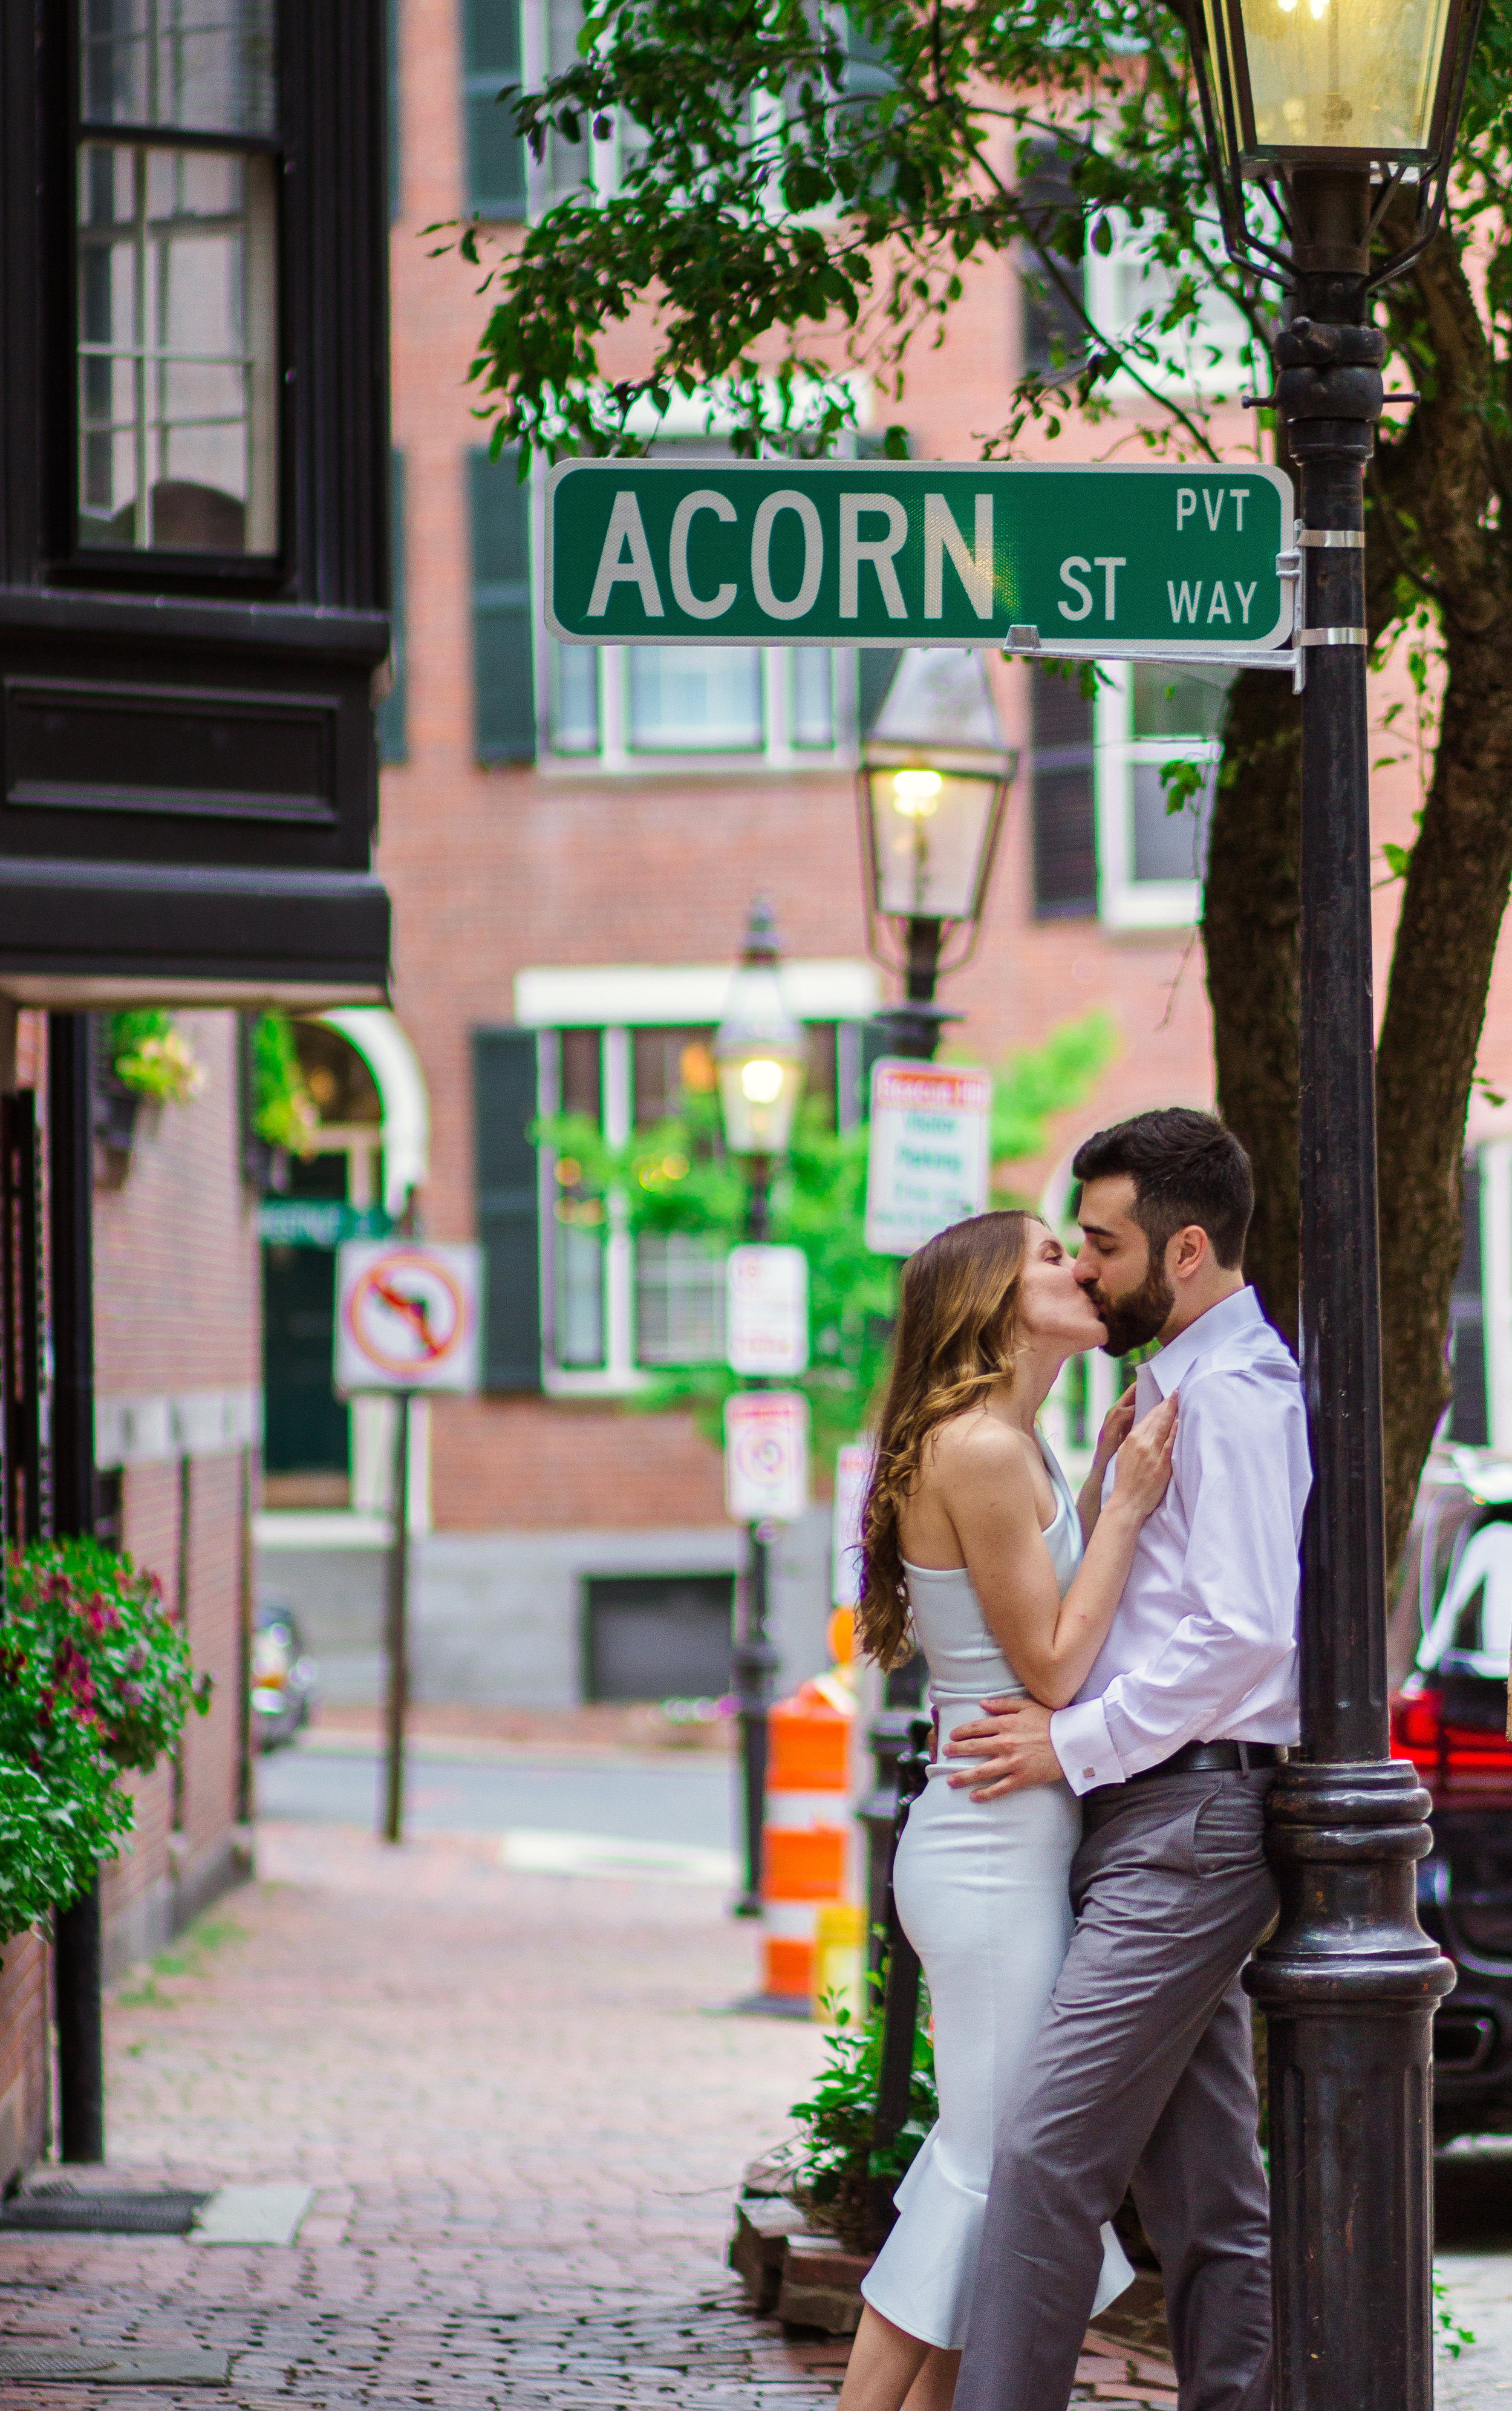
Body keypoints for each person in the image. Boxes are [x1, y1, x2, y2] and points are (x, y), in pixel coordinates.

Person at [943, 1109, 1310, 2411]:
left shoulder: (1236, 1395)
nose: (1084, 1267)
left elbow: (1245, 1629)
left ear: (1189, 1249)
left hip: (1190, 1820)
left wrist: (1069, 1742)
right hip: (1151, 1816)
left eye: (1099, 1244)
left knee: (1043, 2155)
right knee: (1208, 2196)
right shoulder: (1164, 1392)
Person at [835, 1207, 1181, 2411]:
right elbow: (1049, 1667)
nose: (1078, 1267)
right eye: (1048, 1254)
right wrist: (1127, 1508)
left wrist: (1091, 1486)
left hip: (1004, 1843)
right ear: (990, 1301)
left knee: (987, 2163)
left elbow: (1028, 1612)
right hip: (986, 1856)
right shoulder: (976, 1446)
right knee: (990, 2163)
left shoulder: (1010, 1443)